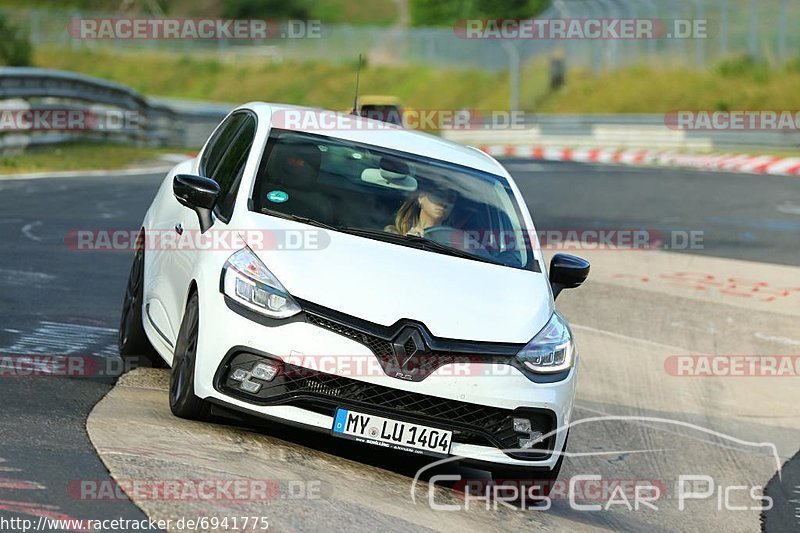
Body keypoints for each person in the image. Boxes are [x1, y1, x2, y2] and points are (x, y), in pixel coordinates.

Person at [386, 183, 457, 236]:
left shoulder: (455, 243)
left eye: (450, 199)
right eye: (439, 195)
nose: (444, 203)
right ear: (420, 197)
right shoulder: (393, 233)